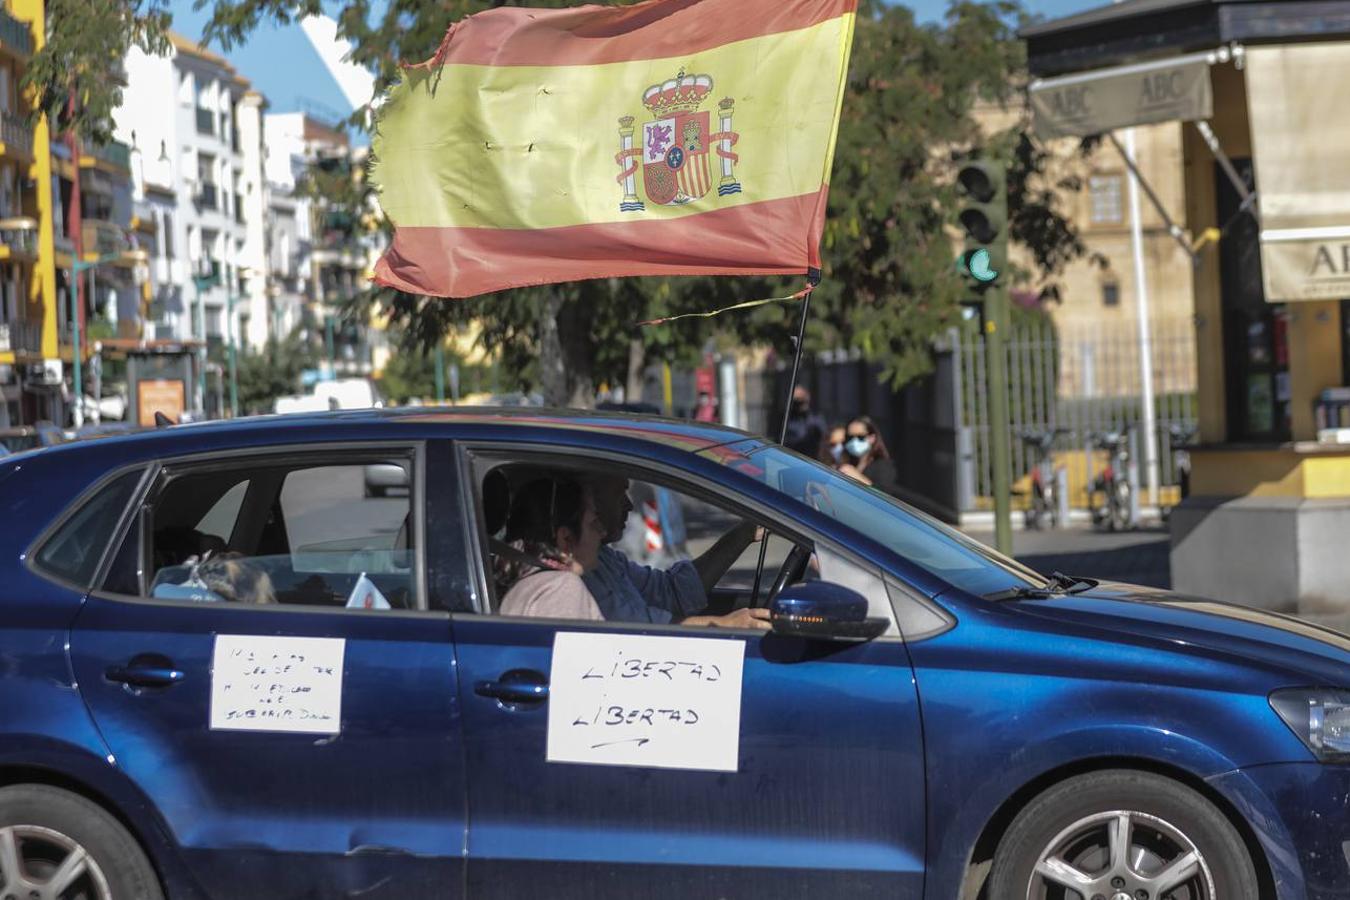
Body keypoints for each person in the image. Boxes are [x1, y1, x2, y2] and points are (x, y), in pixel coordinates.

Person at [583, 474, 770, 629]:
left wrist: (744, 534)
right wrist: (724, 625)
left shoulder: (606, 560)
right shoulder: (574, 577)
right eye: (617, 495)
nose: (629, 505)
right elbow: (640, 631)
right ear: (589, 504)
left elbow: (672, 592)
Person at [496, 477, 605, 621]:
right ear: (565, 538)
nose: (603, 533)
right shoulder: (562, 588)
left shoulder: (525, 581)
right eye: (594, 523)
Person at [838, 415, 903, 497]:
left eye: (860, 437)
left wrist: (858, 477)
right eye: (849, 437)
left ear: (872, 438)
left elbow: (885, 495)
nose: (854, 441)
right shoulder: (849, 461)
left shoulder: (883, 465)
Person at [783, 386, 827, 458]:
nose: (799, 404)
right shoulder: (787, 419)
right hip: (791, 457)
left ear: (807, 398)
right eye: (796, 401)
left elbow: (824, 438)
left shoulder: (816, 418)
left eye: (801, 400)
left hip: (811, 459)